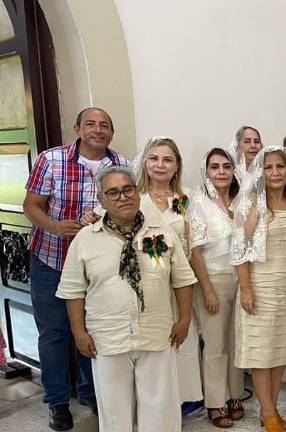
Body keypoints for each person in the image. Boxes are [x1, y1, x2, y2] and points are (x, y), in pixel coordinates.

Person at [56, 166, 196, 432]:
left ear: (136, 191)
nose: (122, 197)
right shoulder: (86, 239)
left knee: (160, 410)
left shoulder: (162, 232)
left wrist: (185, 319)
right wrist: (79, 332)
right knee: (114, 413)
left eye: (128, 189)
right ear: (101, 200)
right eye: (113, 192)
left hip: (158, 333)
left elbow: (182, 279)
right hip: (107, 338)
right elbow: (73, 290)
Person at [23, 107, 128, 430]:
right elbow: (31, 206)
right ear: (78, 128)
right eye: (91, 124)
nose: (98, 130)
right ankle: (57, 401)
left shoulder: (123, 165)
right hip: (52, 259)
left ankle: (91, 392)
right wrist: (55, 227)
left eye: (105, 125)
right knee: (55, 333)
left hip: (98, 267)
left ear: (112, 132)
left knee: (92, 330)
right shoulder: (51, 160)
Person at [231, 146, 286, 431]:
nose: (275, 173)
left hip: (285, 286)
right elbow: (240, 251)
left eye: (281, 167)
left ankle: (270, 406)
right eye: (269, 167)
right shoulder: (251, 203)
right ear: (260, 172)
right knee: (262, 351)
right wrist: (246, 289)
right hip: (259, 283)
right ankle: (267, 409)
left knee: (280, 350)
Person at [134, 137, 203, 413]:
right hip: (146, 285)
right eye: (154, 158)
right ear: (145, 163)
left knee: (183, 338)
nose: (160, 165)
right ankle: (153, 405)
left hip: (180, 284)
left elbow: (191, 239)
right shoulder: (133, 197)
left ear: (176, 167)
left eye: (167, 160)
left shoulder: (184, 199)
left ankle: (184, 400)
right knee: (154, 344)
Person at [187, 148, 245, 428]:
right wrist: (207, 290)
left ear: (234, 171)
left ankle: (235, 395)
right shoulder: (199, 204)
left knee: (237, 343)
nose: (221, 171)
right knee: (215, 345)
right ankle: (214, 402)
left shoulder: (242, 201)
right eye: (214, 167)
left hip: (241, 279)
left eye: (226, 166)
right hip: (212, 280)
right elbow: (195, 252)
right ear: (206, 172)